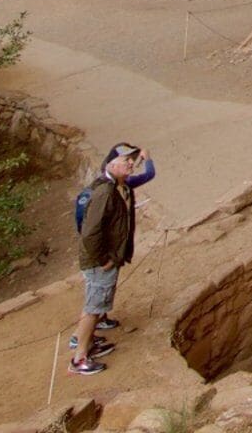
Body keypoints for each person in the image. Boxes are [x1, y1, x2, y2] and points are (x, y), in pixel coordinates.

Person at [69, 142, 152, 375]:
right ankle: (79, 358)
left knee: (96, 303)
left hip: (105, 258)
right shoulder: (105, 192)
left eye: (131, 160)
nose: (130, 164)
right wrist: (103, 258)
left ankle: (85, 341)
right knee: (94, 307)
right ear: (111, 164)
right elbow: (90, 232)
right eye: (126, 160)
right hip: (100, 261)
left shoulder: (118, 186)